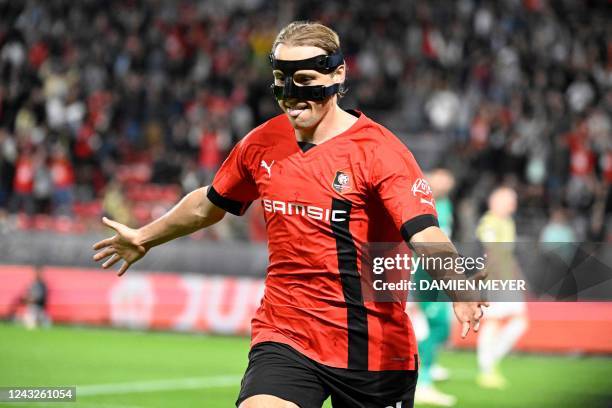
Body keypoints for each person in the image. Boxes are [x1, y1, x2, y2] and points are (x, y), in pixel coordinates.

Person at [92, 21, 487, 408]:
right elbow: (206, 205)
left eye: (306, 79)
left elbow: (424, 232)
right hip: (286, 335)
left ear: (338, 74)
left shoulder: (382, 152)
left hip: (374, 351)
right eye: (282, 79)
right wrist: (144, 236)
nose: (292, 94)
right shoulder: (261, 143)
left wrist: (458, 282)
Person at [411, 169, 456, 407]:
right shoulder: (414, 202)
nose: (443, 186)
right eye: (439, 180)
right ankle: (422, 383)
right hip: (407, 278)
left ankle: (423, 378)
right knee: (420, 333)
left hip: (424, 277)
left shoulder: (444, 205)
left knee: (432, 329)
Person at [475, 187, 528, 389]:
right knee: (493, 322)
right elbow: (490, 253)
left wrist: (518, 278)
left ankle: (490, 361)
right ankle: (487, 369)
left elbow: (508, 255)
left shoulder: (507, 222)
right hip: (494, 280)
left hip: (507, 280)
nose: (513, 204)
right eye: (510, 200)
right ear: (496, 202)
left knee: (519, 323)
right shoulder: (489, 222)